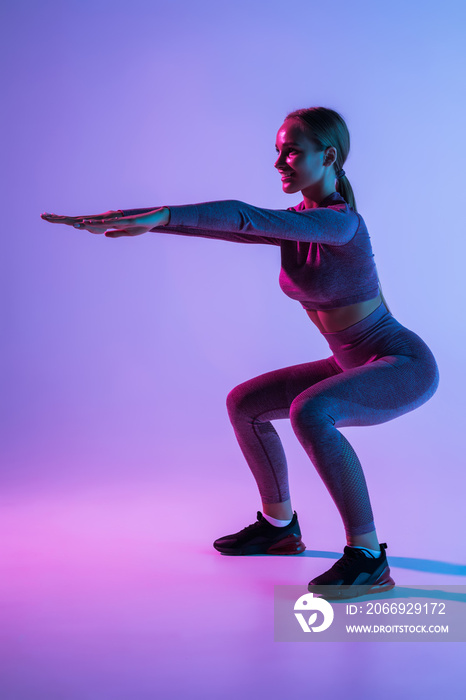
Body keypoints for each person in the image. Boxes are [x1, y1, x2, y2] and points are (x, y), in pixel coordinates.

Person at [41, 106, 439, 600]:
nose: (279, 162)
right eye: (277, 151)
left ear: (329, 157)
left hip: (401, 365)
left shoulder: (342, 225)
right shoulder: (297, 224)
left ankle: (368, 556)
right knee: (245, 404)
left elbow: (245, 216)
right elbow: (233, 226)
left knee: (311, 411)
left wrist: (164, 214)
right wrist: (147, 221)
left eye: (291, 150)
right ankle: (280, 527)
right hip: (350, 362)